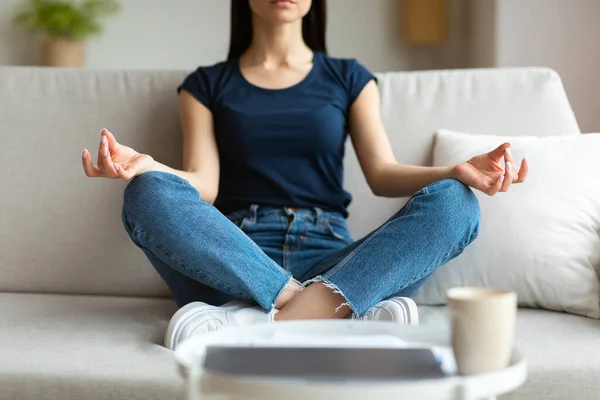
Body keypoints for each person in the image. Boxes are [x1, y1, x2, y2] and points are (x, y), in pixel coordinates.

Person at [81, 0, 528, 350]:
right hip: (236, 260)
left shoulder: (348, 77)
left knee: (455, 201)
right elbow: (205, 185)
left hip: (336, 261)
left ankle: (250, 322)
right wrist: (148, 165)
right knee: (147, 192)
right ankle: (335, 315)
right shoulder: (206, 85)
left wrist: (455, 171)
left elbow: (383, 174)